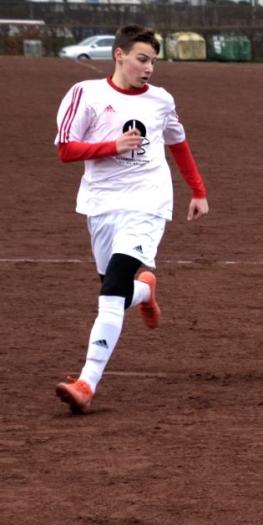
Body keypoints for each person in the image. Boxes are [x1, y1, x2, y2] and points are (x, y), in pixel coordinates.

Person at [53, 24, 210, 414]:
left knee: (111, 291)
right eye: (142, 59)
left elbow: (178, 142)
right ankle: (144, 293)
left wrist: (198, 191)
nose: (149, 68)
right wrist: (113, 146)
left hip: (148, 203)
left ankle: (87, 383)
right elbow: (66, 150)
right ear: (119, 55)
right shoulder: (85, 94)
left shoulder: (160, 100)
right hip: (102, 205)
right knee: (116, 291)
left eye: (153, 61)